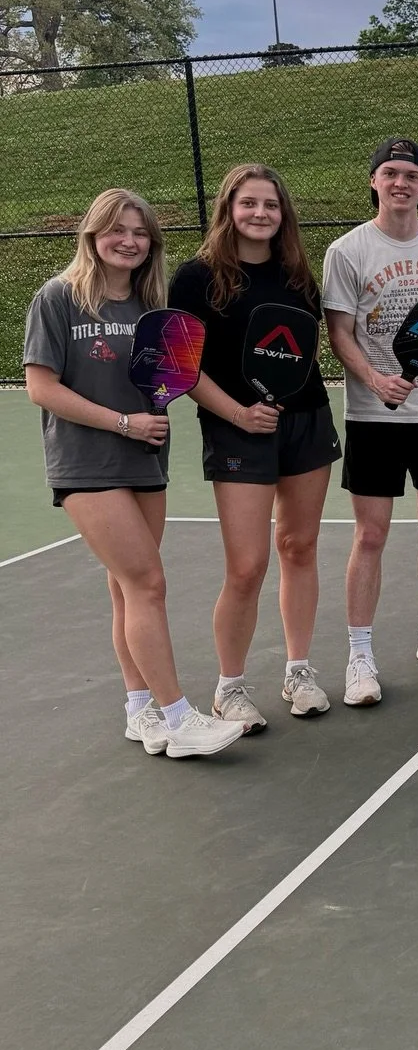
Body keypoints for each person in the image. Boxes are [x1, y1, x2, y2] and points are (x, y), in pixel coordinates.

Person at [22, 189, 245, 760]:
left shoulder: (153, 307)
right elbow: (41, 387)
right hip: (86, 463)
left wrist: (241, 414)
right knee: (148, 582)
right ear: (93, 236)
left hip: (146, 461)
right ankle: (178, 716)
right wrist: (124, 423)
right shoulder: (60, 299)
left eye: (140, 232)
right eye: (117, 230)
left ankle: (139, 708)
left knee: (127, 589)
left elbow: (180, 378)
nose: (128, 241)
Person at [170, 164, 342, 728]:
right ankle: (231, 688)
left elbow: (303, 351)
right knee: (247, 566)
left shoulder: (297, 275)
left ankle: (299, 671)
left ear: (282, 213)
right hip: (235, 428)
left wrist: (285, 403)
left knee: (299, 546)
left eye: (271, 204)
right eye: (249, 203)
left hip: (306, 421)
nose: (260, 214)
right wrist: (240, 413)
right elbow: (183, 367)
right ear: (229, 209)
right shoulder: (195, 278)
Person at [322, 138, 418, 706]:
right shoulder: (347, 250)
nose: (400, 183)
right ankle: (359, 657)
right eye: (389, 172)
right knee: (371, 534)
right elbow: (339, 330)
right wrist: (373, 379)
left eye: (411, 174)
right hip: (372, 417)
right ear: (374, 181)